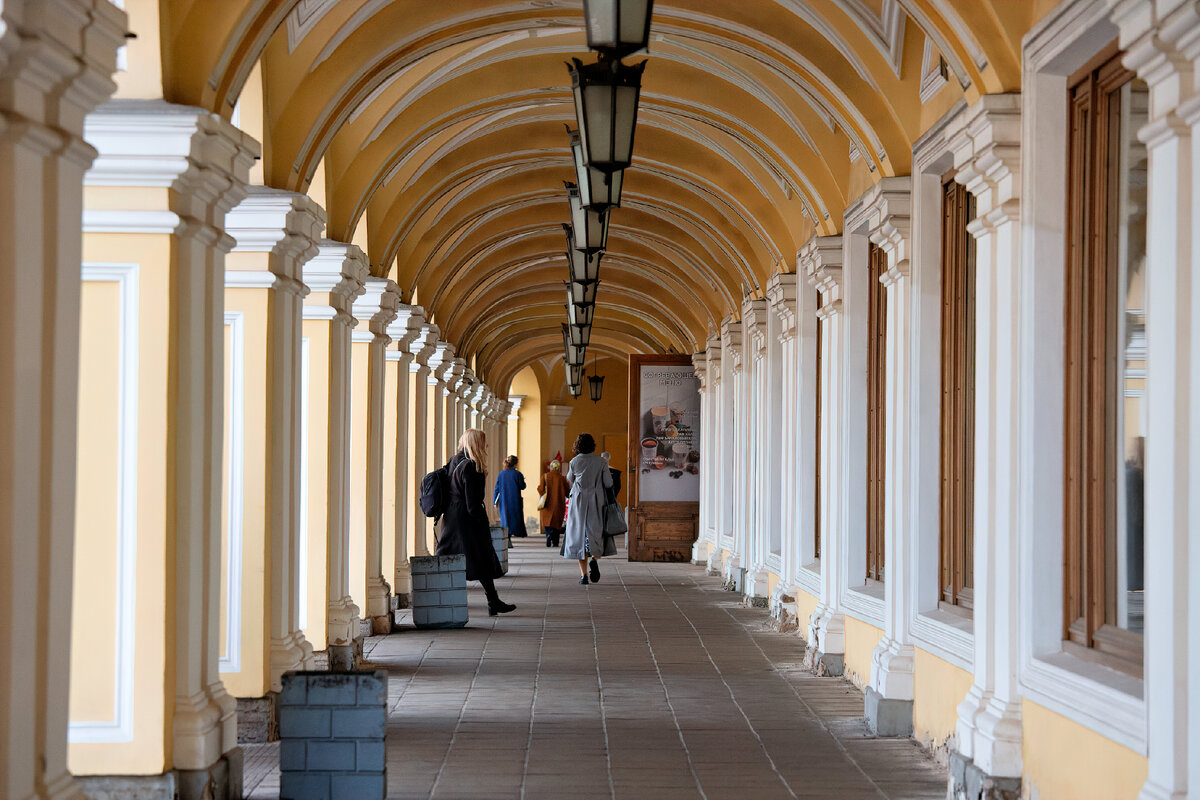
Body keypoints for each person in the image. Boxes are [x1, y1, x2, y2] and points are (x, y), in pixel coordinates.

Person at [436, 429, 516, 616]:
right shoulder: (472, 467)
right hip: (467, 521)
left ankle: (490, 600)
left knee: (454, 557)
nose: (487, 445)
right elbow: (472, 504)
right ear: (478, 444)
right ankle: (490, 601)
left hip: (452, 518)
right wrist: (482, 522)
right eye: (484, 442)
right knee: (479, 559)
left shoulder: (455, 460)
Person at [562, 433, 613, 585]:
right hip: (596, 501)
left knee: (578, 535)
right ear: (593, 445)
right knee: (596, 532)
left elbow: (569, 480)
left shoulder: (574, 461)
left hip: (578, 501)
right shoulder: (601, 461)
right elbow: (608, 482)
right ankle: (595, 560)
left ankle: (584, 576)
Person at [492, 455, 528, 537]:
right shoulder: (518, 474)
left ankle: (507, 536)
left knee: (505, 518)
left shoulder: (501, 474)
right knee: (516, 517)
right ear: (515, 464)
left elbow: (497, 489)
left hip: (504, 500)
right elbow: (523, 486)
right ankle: (516, 532)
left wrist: (495, 501)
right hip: (515, 500)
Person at [538, 459, 569, 548]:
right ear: (559, 468)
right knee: (557, 523)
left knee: (547, 521)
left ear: (551, 467)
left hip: (547, 504)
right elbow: (568, 492)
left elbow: (540, 489)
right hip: (558, 504)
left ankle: (548, 535)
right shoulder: (562, 478)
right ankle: (555, 542)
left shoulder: (545, 476)